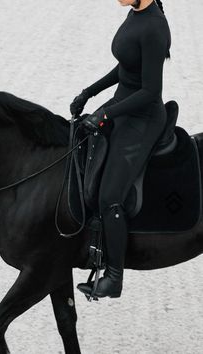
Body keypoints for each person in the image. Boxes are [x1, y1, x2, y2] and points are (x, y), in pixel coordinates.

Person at [70, 0, 171, 298]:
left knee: (110, 195)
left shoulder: (154, 27)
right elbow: (126, 65)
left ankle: (114, 277)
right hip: (122, 104)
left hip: (143, 117)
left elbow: (150, 91)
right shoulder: (134, 13)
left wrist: (105, 115)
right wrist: (90, 92)